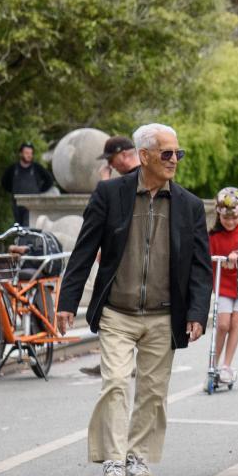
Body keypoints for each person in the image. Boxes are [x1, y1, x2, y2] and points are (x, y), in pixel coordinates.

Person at [57, 123, 212, 476]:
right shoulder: (111, 195)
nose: (175, 160)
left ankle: (137, 457)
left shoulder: (189, 206)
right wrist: (67, 301)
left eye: (178, 153)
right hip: (117, 312)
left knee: (153, 392)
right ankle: (113, 460)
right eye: (167, 153)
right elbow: (83, 251)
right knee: (114, 383)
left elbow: (201, 267)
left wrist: (196, 313)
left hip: (164, 314)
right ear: (144, 156)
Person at [81, 137, 143, 378]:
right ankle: (115, 358)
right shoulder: (128, 181)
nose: (111, 164)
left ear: (125, 154)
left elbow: (114, 213)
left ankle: (121, 360)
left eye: (111, 159)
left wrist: (104, 182)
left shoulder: (137, 181)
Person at [209, 187, 238, 384]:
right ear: (219, 214)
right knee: (223, 323)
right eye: (226, 218)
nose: (230, 222)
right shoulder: (213, 237)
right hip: (223, 286)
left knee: (235, 323)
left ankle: (227, 365)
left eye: (234, 217)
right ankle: (213, 364)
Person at [1, 142, 55, 227]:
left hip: (32, 205)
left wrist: (39, 190)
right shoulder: (13, 169)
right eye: (26, 153)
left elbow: (49, 180)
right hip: (17, 205)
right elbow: (4, 182)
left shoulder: (37, 168)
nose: (29, 155)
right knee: (18, 228)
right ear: (21, 154)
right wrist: (14, 192)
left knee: (29, 227)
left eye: (31, 153)